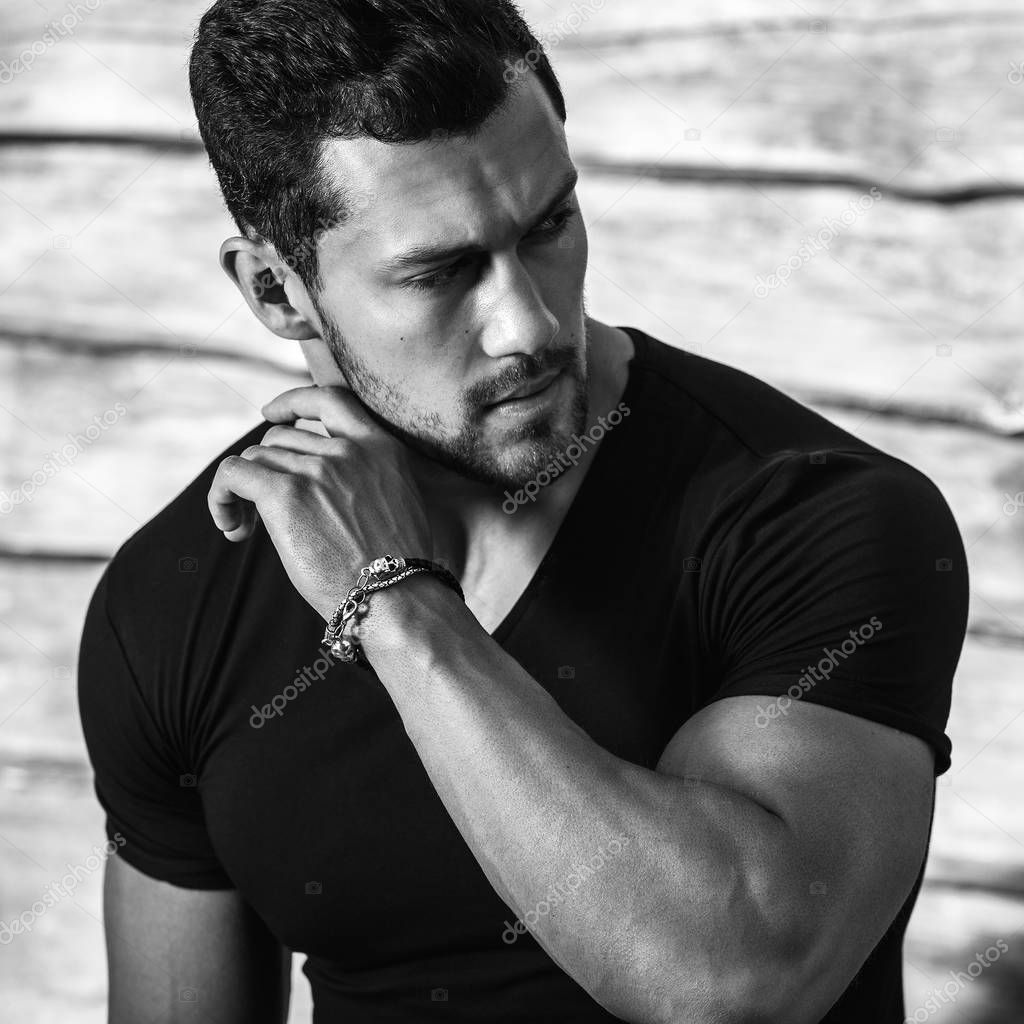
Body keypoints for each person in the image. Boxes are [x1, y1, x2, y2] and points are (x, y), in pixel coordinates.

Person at [77, 1, 969, 1021]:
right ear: (278, 293)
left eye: (549, 224)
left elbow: (737, 981)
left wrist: (400, 605)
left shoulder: (810, 515)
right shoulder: (178, 598)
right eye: (443, 270)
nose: (532, 325)